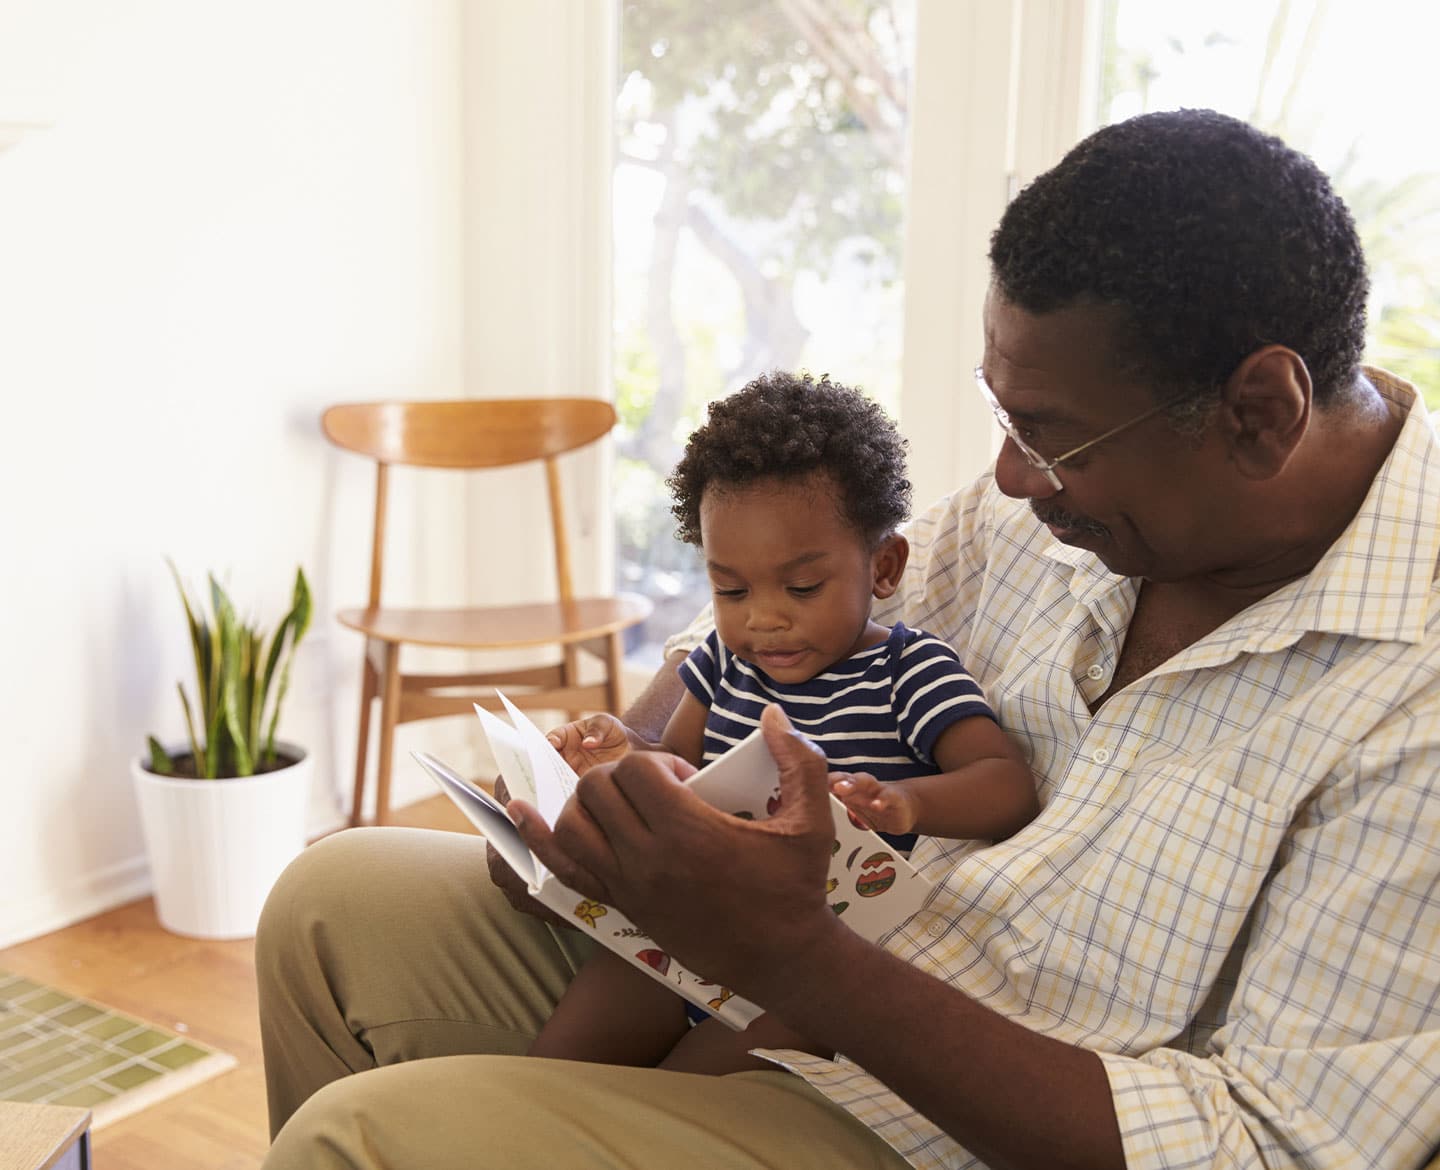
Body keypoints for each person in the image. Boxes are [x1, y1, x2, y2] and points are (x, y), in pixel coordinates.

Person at [256, 108, 1440, 1170]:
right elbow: (799, 633)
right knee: (330, 902)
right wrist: (638, 793)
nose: (1012, 478)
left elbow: (1269, 1148)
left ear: (1260, 413)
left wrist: (789, 956)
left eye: (1054, 437)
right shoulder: (1061, 514)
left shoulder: (1415, 690)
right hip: (807, 979)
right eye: (1001, 412)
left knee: (356, 1143)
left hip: (954, 1117)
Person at [528, 371, 1037, 1075]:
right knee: (559, 1070)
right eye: (730, 589)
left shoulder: (909, 672)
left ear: (883, 567)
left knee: (680, 1100)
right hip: (687, 929)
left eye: (802, 587)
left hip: (813, 969)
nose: (763, 618)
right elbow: (677, 768)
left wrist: (910, 803)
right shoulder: (721, 665)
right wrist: (623, 757)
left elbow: (1007, 784)